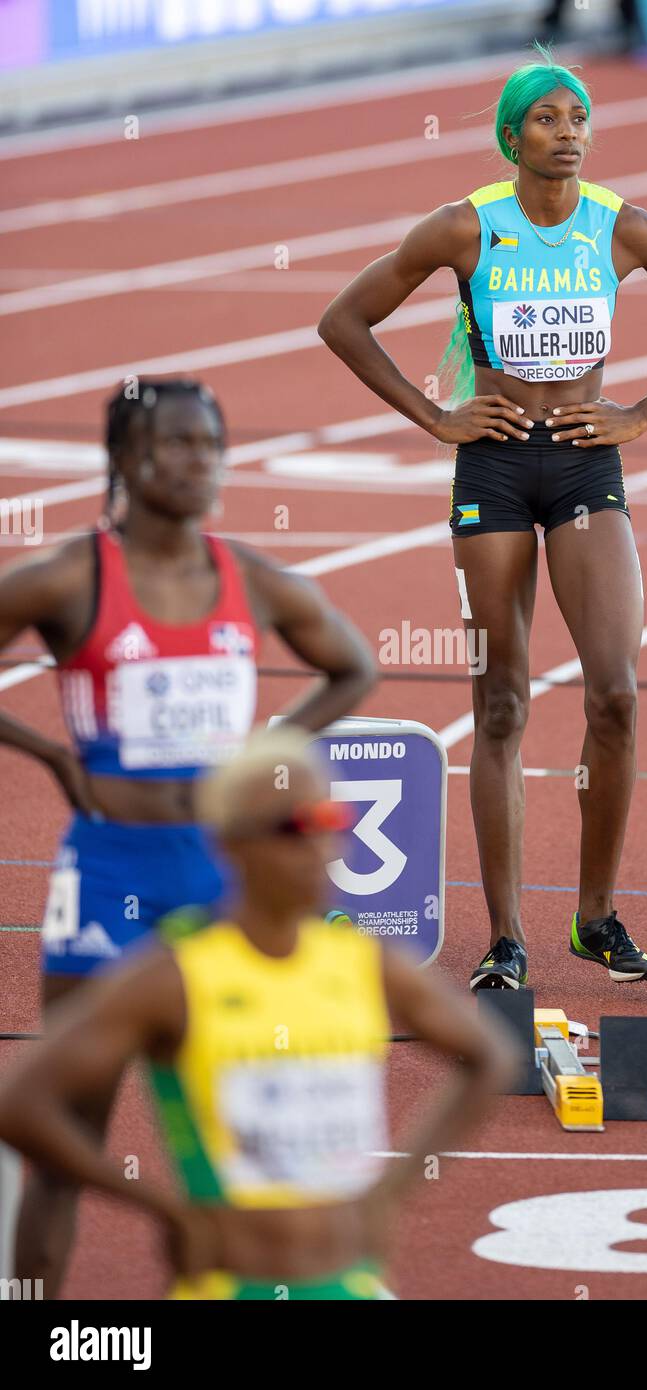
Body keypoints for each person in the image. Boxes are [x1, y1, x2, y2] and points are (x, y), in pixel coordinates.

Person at [317, 49, 647, 992]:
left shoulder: (625, 229)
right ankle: (506, 937)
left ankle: (594, 918)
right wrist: (436, 416)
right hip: (498, 469)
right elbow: (344, 320)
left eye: (580, 118)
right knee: (502, 701)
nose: (570, 134)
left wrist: (641, 415)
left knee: (616, 693)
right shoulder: (464, 230)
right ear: (512, 137)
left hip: (589, 465)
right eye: (549, 120)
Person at [0, 376, 378, 1293]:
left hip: (217, 877)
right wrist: (49, 752)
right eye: (175, 444)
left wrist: (264, 753)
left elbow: (352, 666)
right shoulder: (66, 576)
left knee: (245, 1127)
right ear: (126, 459)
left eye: (210, 444)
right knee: (67, 1139)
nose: (197, 462)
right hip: (109, 870)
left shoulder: (250, 577)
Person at [0, 727, 516, 1300]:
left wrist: (389, 1191)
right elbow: (19, 1103)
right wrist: (167, 1210)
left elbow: (490, 1057)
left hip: (347, 1283)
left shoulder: (367, 963)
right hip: (228, 1283)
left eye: (331, 823)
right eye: (295, 828)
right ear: (231, 843)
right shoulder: (171, 977)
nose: (323, 847)